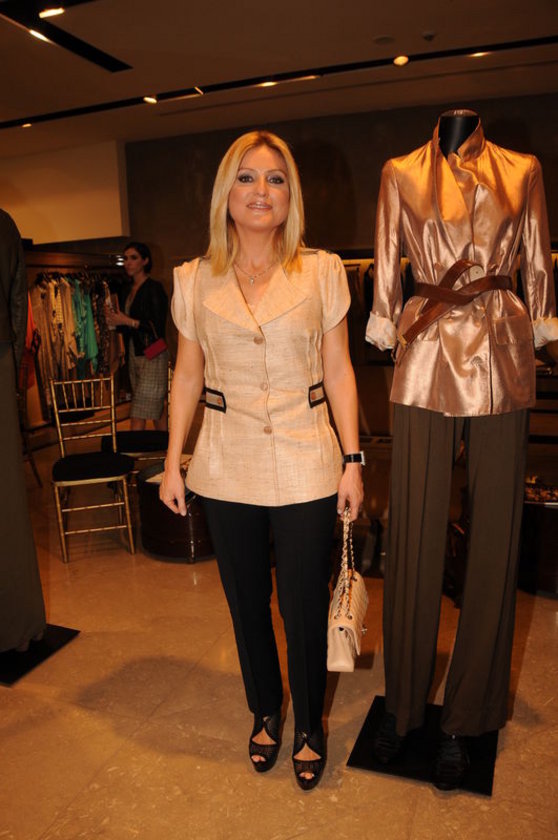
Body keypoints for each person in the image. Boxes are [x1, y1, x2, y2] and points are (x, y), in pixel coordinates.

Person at [159, 130, 363, 790]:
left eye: (276, 179)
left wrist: (353, 459)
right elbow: (186, 376)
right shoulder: (192, 279)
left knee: (302, 603)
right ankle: (265, 709)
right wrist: (173, 461)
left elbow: (339, 369)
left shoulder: (322, 271)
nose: (261, 191)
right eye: (247, 178)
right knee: (246, 601)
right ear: (226, 192)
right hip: (226, 461)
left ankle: (309, 724)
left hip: (307, 457)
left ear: (290, 196)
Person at [365, 109, 558, 790]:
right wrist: (384, 318)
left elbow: (537, 255)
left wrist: (543, 322)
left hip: (503, 350)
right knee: (413, 534)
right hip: (425, 350)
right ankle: (403, 703)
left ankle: (466, 718)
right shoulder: (400, 172)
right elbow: (387, 255)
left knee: (494, 539)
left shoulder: (522, 170)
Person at [0, 208, 46, 653]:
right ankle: (17, 623)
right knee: (7, 498)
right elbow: (18, 304)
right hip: (1, 355)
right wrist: (14, 369)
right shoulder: (4, 224)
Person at [105, 241, 169, 430]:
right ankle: (166, 443)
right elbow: (125, 326)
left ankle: (134, 447)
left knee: (139, 409)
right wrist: (114, 320)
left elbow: (157, 327)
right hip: (134, 353)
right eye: (125, 258)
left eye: (133, 258)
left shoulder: (154, 288)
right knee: (156, 406)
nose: (128, 262)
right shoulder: (126, 290)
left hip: (154, 353)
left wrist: (127, 320)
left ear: (145, 261)